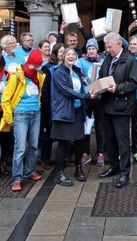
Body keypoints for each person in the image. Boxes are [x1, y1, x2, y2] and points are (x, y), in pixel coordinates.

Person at [98, 31, 137, 188]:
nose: (107, 50)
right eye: (106, 47)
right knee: (110, 140)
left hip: (122, 106)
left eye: (110, 47)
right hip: (107, 105)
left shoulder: (130, 60)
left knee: (122, 142)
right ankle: (114, 167)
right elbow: (102, 76)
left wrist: (117, 88)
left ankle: (124, 172)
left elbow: (134, 83)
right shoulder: (107, 59)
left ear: (118, 44)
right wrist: (96, 87)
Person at [1, 49, 46, 191]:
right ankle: (16, 178)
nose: (37, 68)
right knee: (20, 148)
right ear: (29, 62)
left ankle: (30, 170)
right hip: (20, 114)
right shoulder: (16, 76)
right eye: (35, 66)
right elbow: (6, 98)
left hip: (36, 113)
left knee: (33, 145)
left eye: (38, 66)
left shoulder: (39, 76)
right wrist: (9, 118)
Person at [51, 48, 93, 185]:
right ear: (63, 57)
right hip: (64, 111)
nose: (70, 56)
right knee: (64, 143)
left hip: (77, 110)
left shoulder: (76, 71)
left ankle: (78, 168)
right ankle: (59, 173)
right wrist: (85, 96)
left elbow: (81, 88)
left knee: (80, 141)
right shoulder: (58, 72)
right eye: (68, 54)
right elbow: (66, 90)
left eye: (73, 55)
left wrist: (92, 89)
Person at [76, 38, 106, 166]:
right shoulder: (81, 61)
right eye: (89, 49)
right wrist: (81, 78)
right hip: (86, 98)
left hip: (99, 98)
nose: (91, 51)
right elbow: (77, 75)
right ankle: (85, 152)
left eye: (93, 48)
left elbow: (106, 77)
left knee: (100, 126)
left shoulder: (103, 61)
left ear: (97, 50)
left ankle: (101, 152)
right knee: (86, 126)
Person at [38, 43, 64, 170]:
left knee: (65, 135)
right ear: (55, 53)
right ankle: (45, 158)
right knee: (48, 134)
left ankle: (65, 158)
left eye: (64, 52)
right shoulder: (48, 68)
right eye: (60, 52)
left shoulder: (68, 67)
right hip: (51, 107)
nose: (62, 54)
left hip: (64, 106)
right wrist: (47, 106)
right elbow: (45, 89)